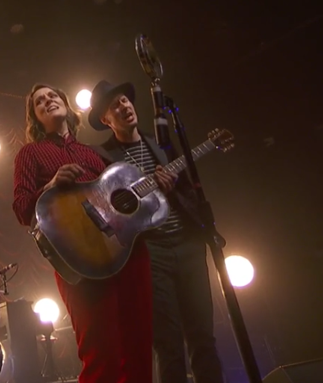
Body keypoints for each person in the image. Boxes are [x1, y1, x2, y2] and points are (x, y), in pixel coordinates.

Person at [12, 84, 158, 383]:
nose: (47, 101)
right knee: (100, 353)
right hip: (78, 258)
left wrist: (156, 186)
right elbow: (22, 208)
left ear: (66, 105)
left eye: (53, 95)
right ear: (35, 118)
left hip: (124, 248)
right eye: (39, 102)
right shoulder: (30, 153)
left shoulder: (93, 153)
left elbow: (121, 196)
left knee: (140, 347)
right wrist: (50, 185)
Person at [86, 80, 224, 383]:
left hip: (188, 244)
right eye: (114, 106)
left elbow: (189, 190)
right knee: (168, 343)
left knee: (203, 336)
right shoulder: (103, 157)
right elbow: (103, 208)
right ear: (106, 120)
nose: (124, 107)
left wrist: (172, 188)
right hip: (151, 254)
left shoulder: (161, 144)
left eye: (124, 101)